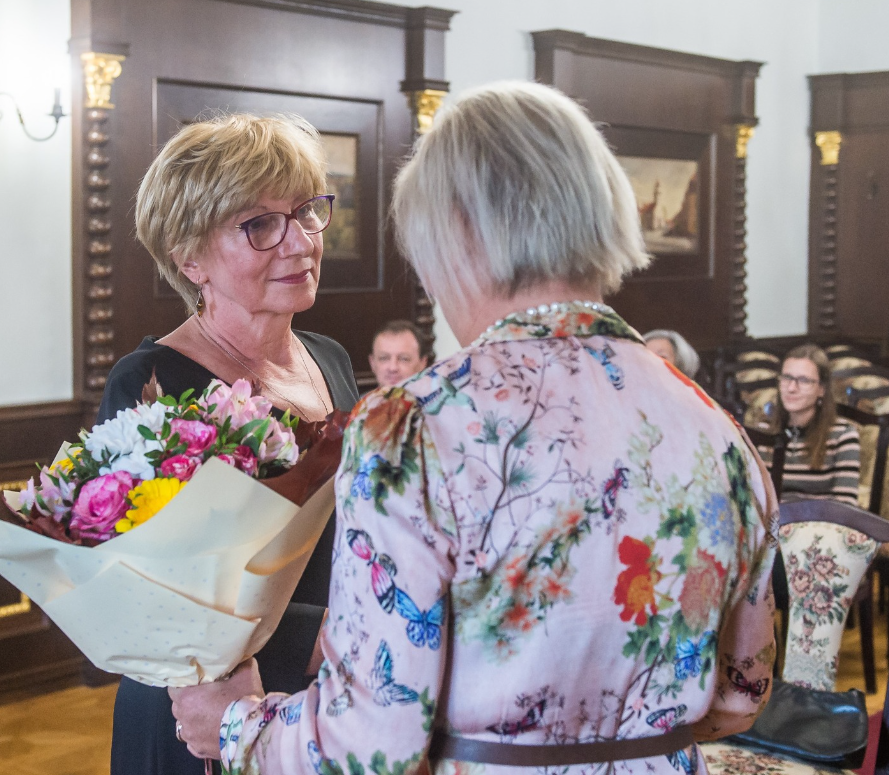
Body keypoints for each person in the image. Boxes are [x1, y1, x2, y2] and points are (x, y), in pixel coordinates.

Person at [170, 81, 777, 775]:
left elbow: (372, 744)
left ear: (457, 232)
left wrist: (237, 723)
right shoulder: (716, 428)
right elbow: (741, 694)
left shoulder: (412, 429)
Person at [98, 112, 359, 775]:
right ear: (189, 256)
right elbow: (140, 598)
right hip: (197, 721)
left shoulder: (330, 357)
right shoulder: (155, 382)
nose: (300, 242)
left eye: (305, 212)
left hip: (322, 703)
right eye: (260, 224)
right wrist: (325, 635)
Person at [763, 343, 861, 504]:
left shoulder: (843, 435)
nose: (792, 388)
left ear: (821, 389)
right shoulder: (764, 432)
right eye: (786, 378)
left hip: (819, 525)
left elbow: (845, 507)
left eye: (803, 380)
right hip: (772, 526)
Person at [369, 319, 430, 387]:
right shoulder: (361, 398)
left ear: (423, 363)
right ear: (372, 363)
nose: (393, 368)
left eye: (404, 359)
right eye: (384, 358)